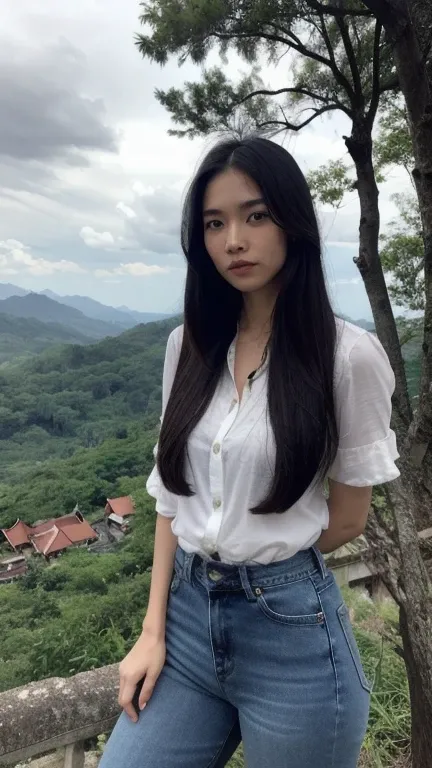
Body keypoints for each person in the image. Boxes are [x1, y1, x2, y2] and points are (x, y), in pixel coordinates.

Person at [99, 135, 400, 768]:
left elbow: (347, 519)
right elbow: (169, 496)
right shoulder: (189, 346)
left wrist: (261, 567)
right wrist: (152, 630)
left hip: (293, 638)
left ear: (292, 222)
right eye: (215, 223)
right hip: (184, 624)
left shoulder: (347, 358)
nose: (233, 239)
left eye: (255, 215)